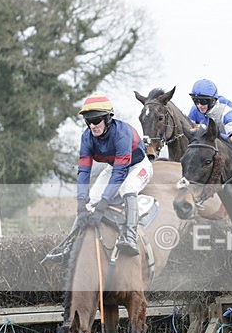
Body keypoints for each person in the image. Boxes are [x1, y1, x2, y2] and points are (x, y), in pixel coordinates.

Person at [45, 93, 152, 262]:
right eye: (88, 121)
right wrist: (81, 205)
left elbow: (121, 172)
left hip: (137, 166)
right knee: (89, 201)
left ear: (108, 118)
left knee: (127, 188)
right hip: (113, 167)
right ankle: (70, 246)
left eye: (96, 121)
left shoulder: (122, 133)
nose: (92, 126)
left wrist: (102, 206)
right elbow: (83, 172)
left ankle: (129, 237)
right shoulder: (86, 137)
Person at [188, 78, 232, 146]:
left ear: (213, 100)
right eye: (195, 100)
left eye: (203, 101)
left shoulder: (226, 110)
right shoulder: (194, 109)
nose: (199, 105)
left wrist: (207, 132)